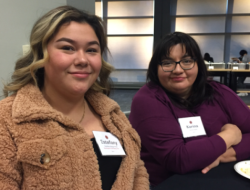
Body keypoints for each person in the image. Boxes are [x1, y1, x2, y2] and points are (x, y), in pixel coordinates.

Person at [0, 6, 149, 190]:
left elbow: (136, 169)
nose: (82, 60)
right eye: (68, 48)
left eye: (92, 50)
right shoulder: (7, 119)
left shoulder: (112, 114)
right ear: (41, 55)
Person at [129, 32, 250, 187]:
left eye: (186, 61)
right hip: (170, 184)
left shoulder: (218, 92)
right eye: (167, 63)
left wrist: (223, 155)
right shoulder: (147, 100)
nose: (178, 70)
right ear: (156, 68)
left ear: (198, 64)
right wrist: (229, 136)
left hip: (221, 177)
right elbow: (178, 159)